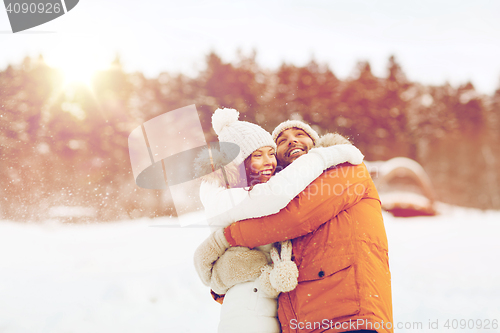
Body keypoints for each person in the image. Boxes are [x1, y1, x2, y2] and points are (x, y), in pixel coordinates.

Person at [197, 119, 393, 333]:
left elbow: (295, 218)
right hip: (302, 322)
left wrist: (228, 237)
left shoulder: (344, 168)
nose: (291, 141)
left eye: (300, 135)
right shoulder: (275, 199)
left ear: (316, 142)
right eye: (281, 140)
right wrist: (226, 276)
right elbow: (266, 259)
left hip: (349, 315)